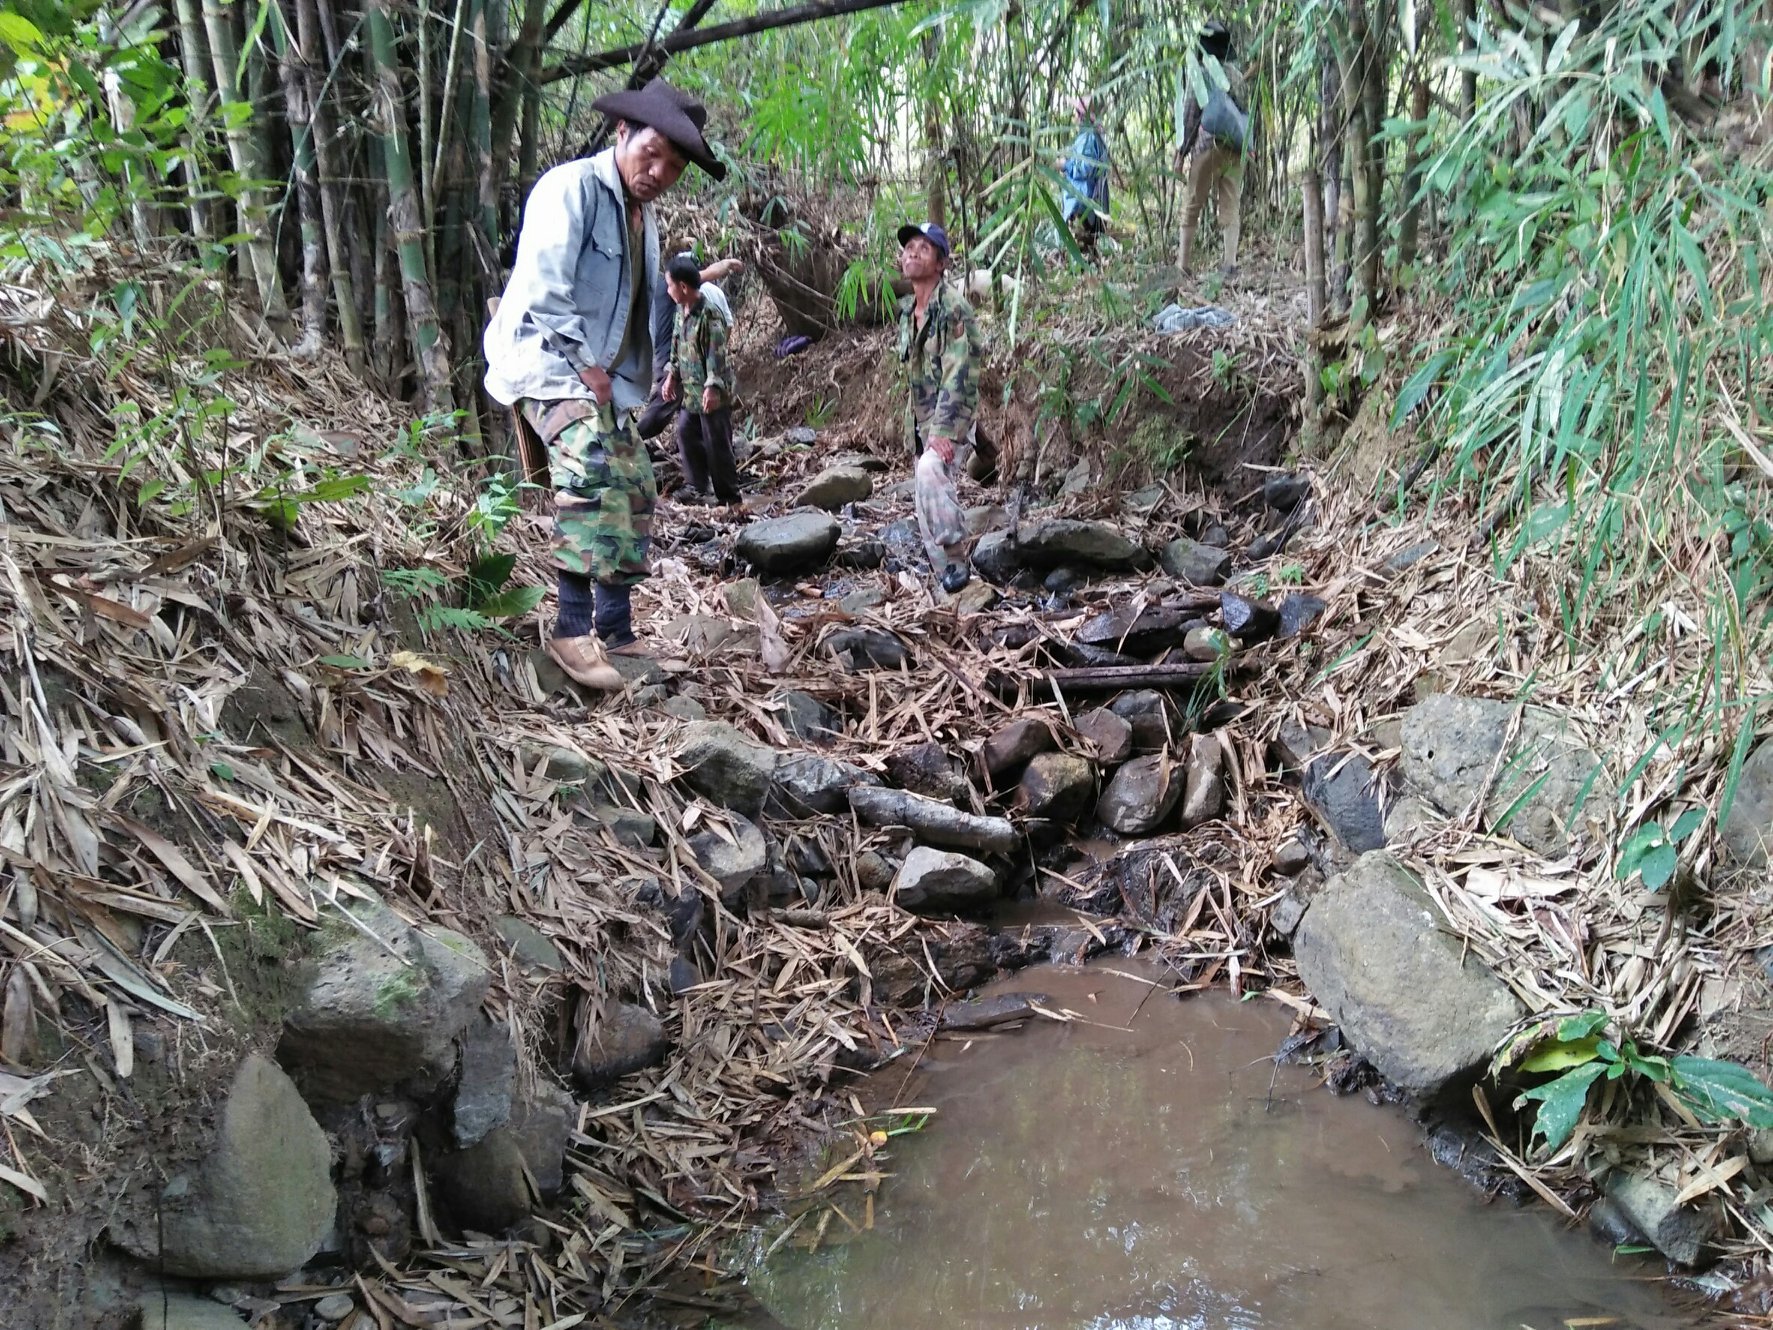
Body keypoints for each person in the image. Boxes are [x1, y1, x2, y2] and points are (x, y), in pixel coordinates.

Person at [483, 79, 726, 691]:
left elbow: (635, 312)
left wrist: (626, 381)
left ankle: (616, 628)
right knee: (594, 465)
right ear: (622, 132)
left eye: (673, 167)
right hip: (545, 362)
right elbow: (545, 290)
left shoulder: (642, 218)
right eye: (652, 153)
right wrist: (589, 370)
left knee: (636, 479)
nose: (659, 172)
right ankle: (570, 628)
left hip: (598, 380)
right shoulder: (570, 188)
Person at [895, 220, 983, 595]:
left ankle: (958, 558)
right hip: (922, 422)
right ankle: (952, 594)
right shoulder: (908, 313)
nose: (913, 252)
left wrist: (943, 432)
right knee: (924, 507)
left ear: (941, 263)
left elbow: (960, 373)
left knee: (931, 471)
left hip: (950, 419)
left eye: (924, 248)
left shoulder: (953, 309)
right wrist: (916, 433)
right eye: (909, 247)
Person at [661, 254, 740, 509]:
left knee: (716, 443)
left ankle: (729, 497)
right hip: (691, 392)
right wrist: (671, 376)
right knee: (686, 433)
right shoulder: (680, 311)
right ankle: (696, 486)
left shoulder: (709, 314)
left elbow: (717, 354)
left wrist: (713, 387)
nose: (667, 291)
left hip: (710, 393)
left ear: (683, 287)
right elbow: (676, 345)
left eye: (670, 285)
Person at [638, 252, 742, 443]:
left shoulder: (665, 286)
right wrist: (726, 263)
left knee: (683, 412)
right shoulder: (673, 287)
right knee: (665, 405)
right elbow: (710, 273)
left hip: (669, 357)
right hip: (673, 359)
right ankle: (633, 439)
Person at [1176, 19, 1248, 278]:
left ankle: (1183, 265)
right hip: (1235, 148)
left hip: (1207, 146)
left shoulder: (1200, 72)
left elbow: (1190, 114)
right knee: (1230, 203)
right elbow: (1244, 112)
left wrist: (1181, 152)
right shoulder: (1236, 74)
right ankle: (1230, 264)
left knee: (1192, 203)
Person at [1059, 97, 1110, 253]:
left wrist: (1064, 165)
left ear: (1082, 116)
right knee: (1086, 249)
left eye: (1077, 112)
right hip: (1088, 203)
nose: (1074, 116)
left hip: (1082, 203)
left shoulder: (1088, 138)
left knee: (1080, 249)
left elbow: (1084, 170)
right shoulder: (1091, 136)